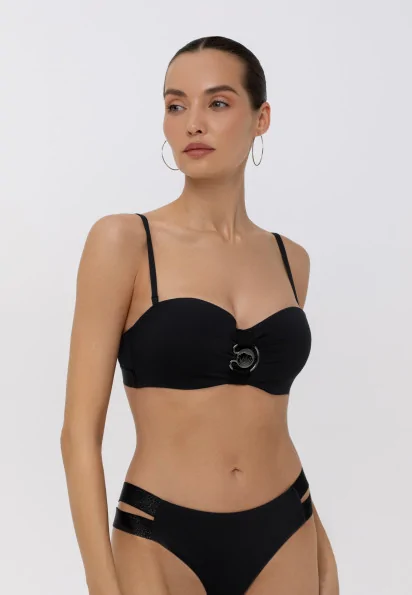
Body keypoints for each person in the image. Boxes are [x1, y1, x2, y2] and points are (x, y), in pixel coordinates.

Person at [61, 36, 339, 595]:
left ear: (261, 118)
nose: (193, 123)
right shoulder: (124, 241)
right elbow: (78, 436)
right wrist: (100, 581)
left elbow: (267, 418)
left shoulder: (291, 260)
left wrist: (323, 554)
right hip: (159, 538)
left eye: (217, 102)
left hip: (289, 530)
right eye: (175, 105)